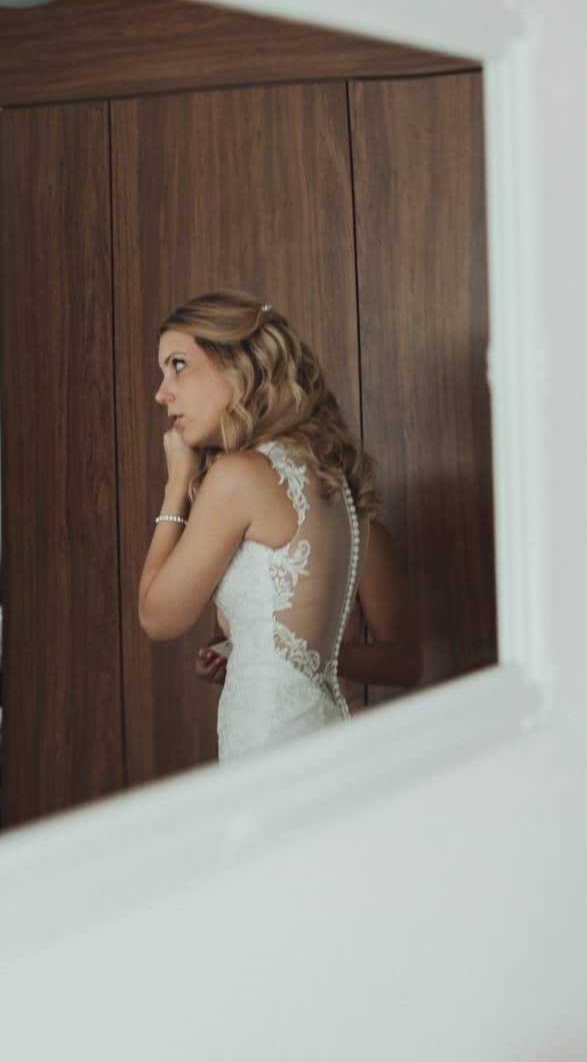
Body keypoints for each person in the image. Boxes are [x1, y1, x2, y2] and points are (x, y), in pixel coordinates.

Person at [137, 292, 420, 762]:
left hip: (273, 747)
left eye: (178, 365)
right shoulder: (328, 479)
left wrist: (176, 486)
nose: (162, 393)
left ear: (236, 364)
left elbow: (158, 617)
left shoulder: (238, 477)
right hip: (320, 734)